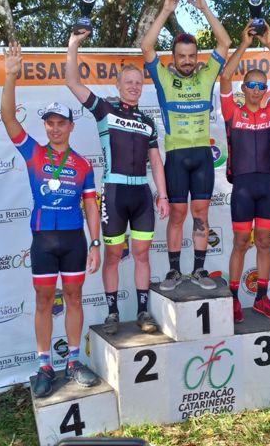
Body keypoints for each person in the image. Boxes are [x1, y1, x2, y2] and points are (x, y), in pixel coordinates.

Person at [1, 42, 101, 398]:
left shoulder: (83, 165)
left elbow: (91, 206)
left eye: (61, 123)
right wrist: (10, 76)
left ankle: (73, 361)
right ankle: (44, 364)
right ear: (45, 125)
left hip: (74, 240)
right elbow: (9, 119)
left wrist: (95, 243)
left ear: (71, 126)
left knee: (74, 298)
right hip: (43, 240)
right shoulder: (34, 153)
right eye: (50, 123)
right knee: (44, 301)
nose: (55, 129)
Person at [66, 31, 169, 335]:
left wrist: (163, 195)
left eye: (138, 83)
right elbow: (72, 82)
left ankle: (142, 312)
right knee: (113, 255)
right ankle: (112, 313)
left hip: (141, 194)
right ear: (118, 85)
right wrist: (73, 45)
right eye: (129, 82)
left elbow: (156, 162)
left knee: (142, 255)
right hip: (113, 193)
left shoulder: (148, 123)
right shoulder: (105, 110)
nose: (134, 87)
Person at [141, 0, 231, 291]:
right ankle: (174, 271)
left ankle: (200, 270)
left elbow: (225, 42)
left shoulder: (207, 76)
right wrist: (167, 9)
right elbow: (146, 46)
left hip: (202, 156)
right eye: (182, 56)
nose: (188, 61)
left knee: (200, 214)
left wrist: (204, 8)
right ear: (174, 58)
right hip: (177, 157)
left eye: (192, 56)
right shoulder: (164, 79)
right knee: (178, 214)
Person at [219, 20, 270, 322]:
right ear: (244, 88)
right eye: (251, 85)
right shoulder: (232, 112)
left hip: (266, 186)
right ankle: (233, 299)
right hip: (242, 187)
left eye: (261, 86)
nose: (256, 90)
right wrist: (244, 44)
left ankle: (262, 298)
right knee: (240, 243)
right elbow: (225, 75)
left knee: (264, 243)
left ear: (266, 90)